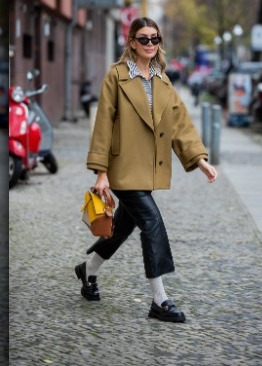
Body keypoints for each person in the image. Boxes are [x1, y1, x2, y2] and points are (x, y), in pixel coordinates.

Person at [78, 17, 217, 323]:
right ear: (131, 43)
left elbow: (180, 123)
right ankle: (160, 300)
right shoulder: (116, 76)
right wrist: (101, 172)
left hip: (148, 169)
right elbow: (103, 124)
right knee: (152, 222)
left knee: (123, 227)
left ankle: (87, 271)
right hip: (122, 168)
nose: (151, 44)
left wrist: (200, 160)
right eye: (144, 39)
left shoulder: (162, 80)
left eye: (155, 39)